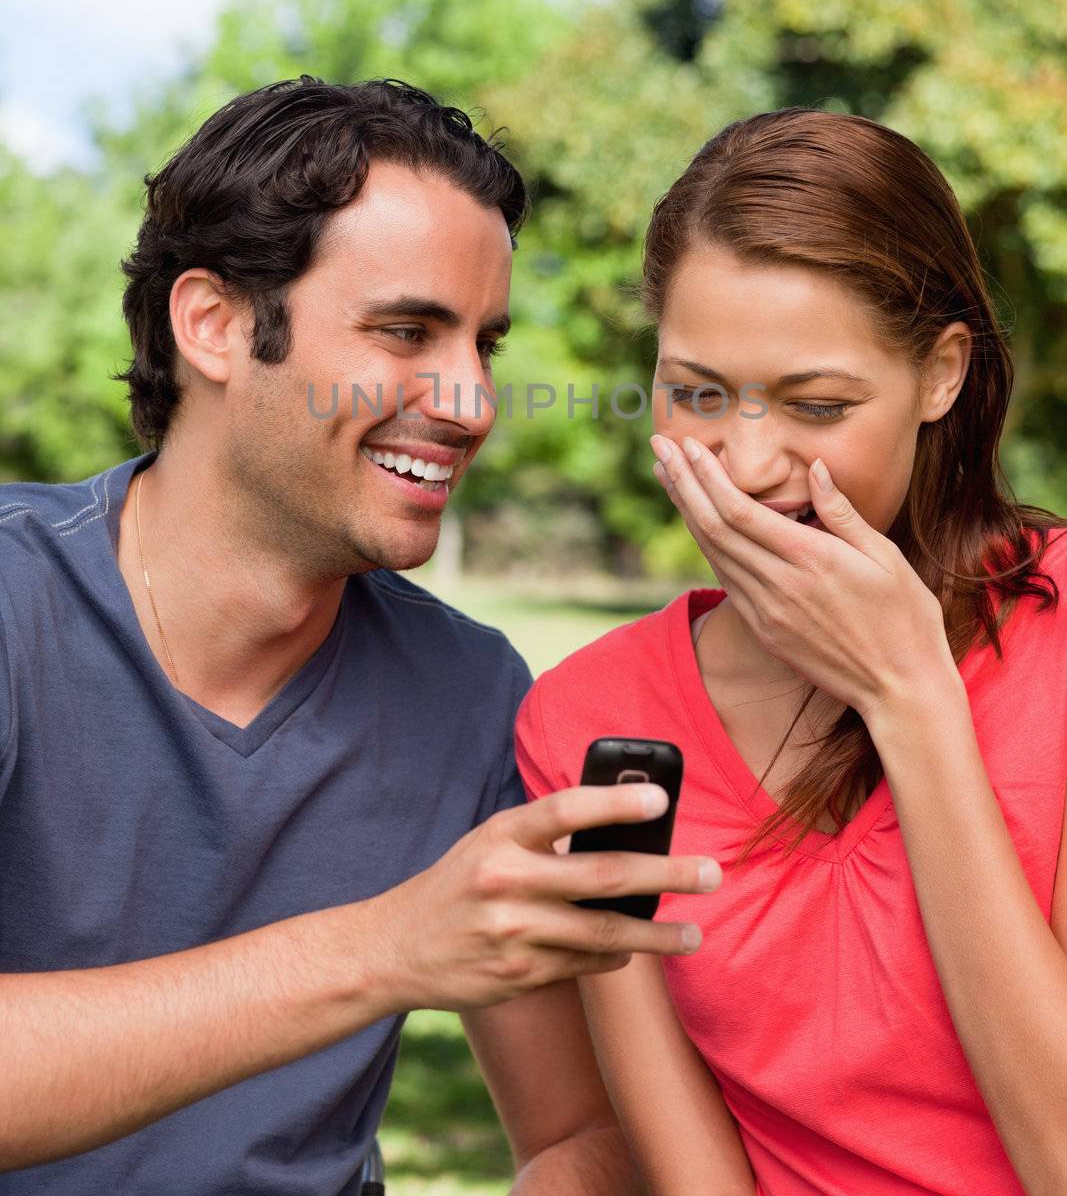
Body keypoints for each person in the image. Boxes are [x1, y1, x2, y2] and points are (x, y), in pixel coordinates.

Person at [0, 77, 725, 1193]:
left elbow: (577, 1135)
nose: (472, 400)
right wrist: (381, 949)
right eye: (405, 329)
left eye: (483, 341)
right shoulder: (15, 606)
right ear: (215, 325)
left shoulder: (468, 692)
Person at [515, 106, 1067, 1196]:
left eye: (815, 404)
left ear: (941, 375)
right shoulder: (591, 716)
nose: (750, 463)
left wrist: (907, 695)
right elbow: (688, 1170)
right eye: (696, 394)